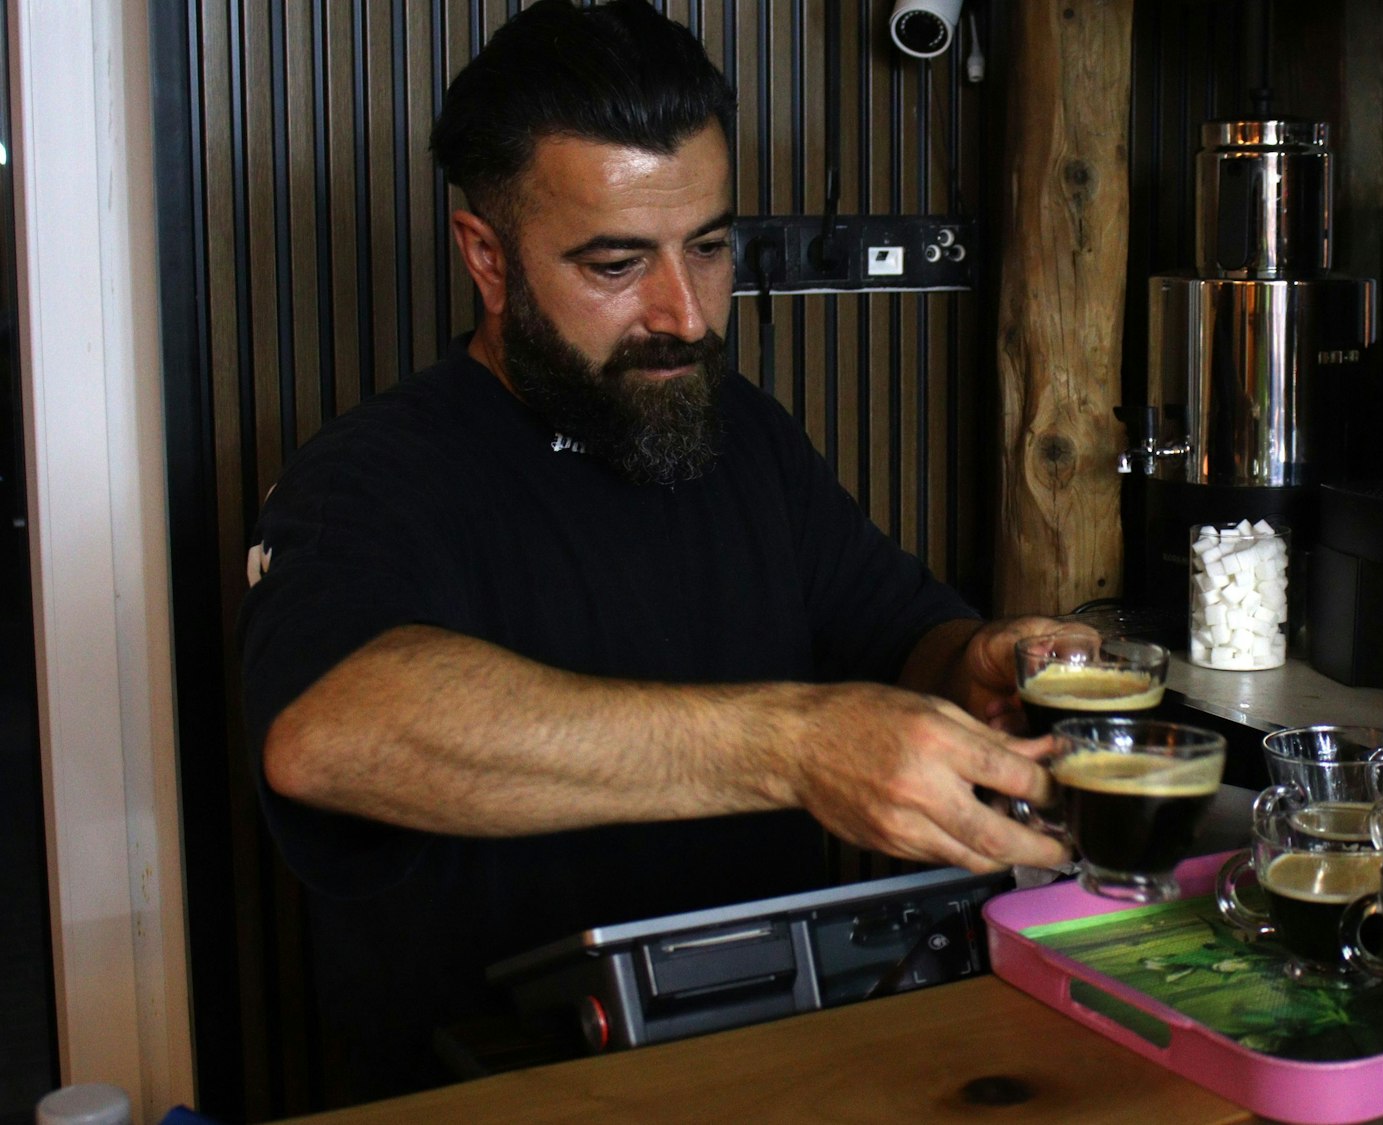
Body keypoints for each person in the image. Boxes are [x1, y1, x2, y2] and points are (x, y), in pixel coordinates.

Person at [237, 0, 1066, 1100]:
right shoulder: (376, 473)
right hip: (505, 1092)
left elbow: (899, 634)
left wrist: (969, 663)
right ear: (486, 256)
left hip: (786, 1068)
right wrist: (790, 746)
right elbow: (330, 732)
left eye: (711, 246)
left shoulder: (741, 435)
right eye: (618, 263)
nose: (684, 313)